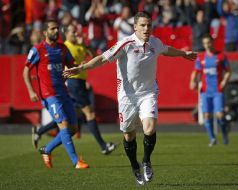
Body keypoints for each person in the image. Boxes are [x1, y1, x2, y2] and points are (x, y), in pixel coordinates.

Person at [63, 11, 197, 185]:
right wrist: (82, 68)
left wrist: (183, 54)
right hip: (127, 97)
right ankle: (135, 165)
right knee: (129, 135)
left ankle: (146, 161)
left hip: (148, 93)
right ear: (135, 27)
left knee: (149, 128)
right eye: (142, 25)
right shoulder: (125, 44)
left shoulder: (155, 42)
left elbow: (167, 50)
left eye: (148, 25)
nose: (146, 28)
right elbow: (103, 58)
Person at [32, 23, 117, 155]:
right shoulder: (66, 47)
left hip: (79, 82)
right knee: (90, 113)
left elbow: (94, 55)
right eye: (73, 32)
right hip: (73, 83)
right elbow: (66, 67)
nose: (76, 34)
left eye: (76, 32)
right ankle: (103, 146)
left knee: (71, 118)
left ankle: (40, 132)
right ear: (66, 33)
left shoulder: (79, 45)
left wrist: (86, 46)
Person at [23, 19, 89, 169]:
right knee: (63, 125)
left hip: (64, 93)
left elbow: (71, 66)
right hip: (49, 95)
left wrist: (80, 66)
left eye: (57, 28)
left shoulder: (63, 48)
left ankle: (47, 149)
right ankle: (76, 161)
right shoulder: (37, 49)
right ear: (45, 32)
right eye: (52, 28)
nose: (56, 31)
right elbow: (25, 70)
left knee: (73, 129)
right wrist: (31, 90)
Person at [190, 34, 231, 147]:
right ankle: (212, 138)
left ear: (212, 43)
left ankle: (224, 133)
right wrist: (192, 81)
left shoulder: (221, 56)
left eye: (209, 42)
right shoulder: (201, 57)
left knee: (220, 115)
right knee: (207, 115)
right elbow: (196, 71)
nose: (207, 45)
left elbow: (228, 71)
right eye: (205, 43)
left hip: (218, 90)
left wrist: (224, 81)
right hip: (205, 91)